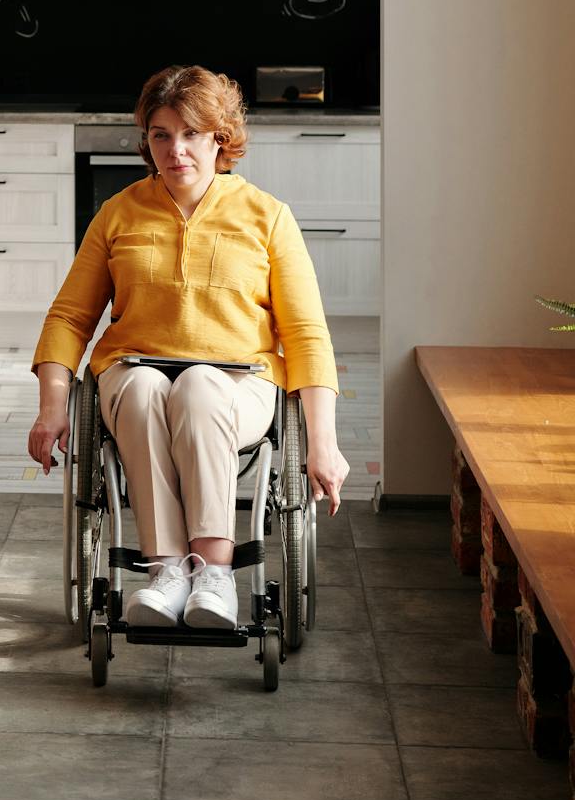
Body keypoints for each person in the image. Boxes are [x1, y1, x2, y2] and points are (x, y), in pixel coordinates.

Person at [26, 66, 350, 629]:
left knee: (199, 385)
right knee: (149, 386)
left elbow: (305, 335)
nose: (176, 150)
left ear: (219, 137)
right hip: (135, 371)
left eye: (191, 134)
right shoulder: (119, 213)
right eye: (161, 134)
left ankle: (216, 575)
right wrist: (52, 406)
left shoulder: (267, 216)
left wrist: (323, 443)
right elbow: (70, 317)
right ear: (147, 140)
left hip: (239, 382)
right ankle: (168, 571)